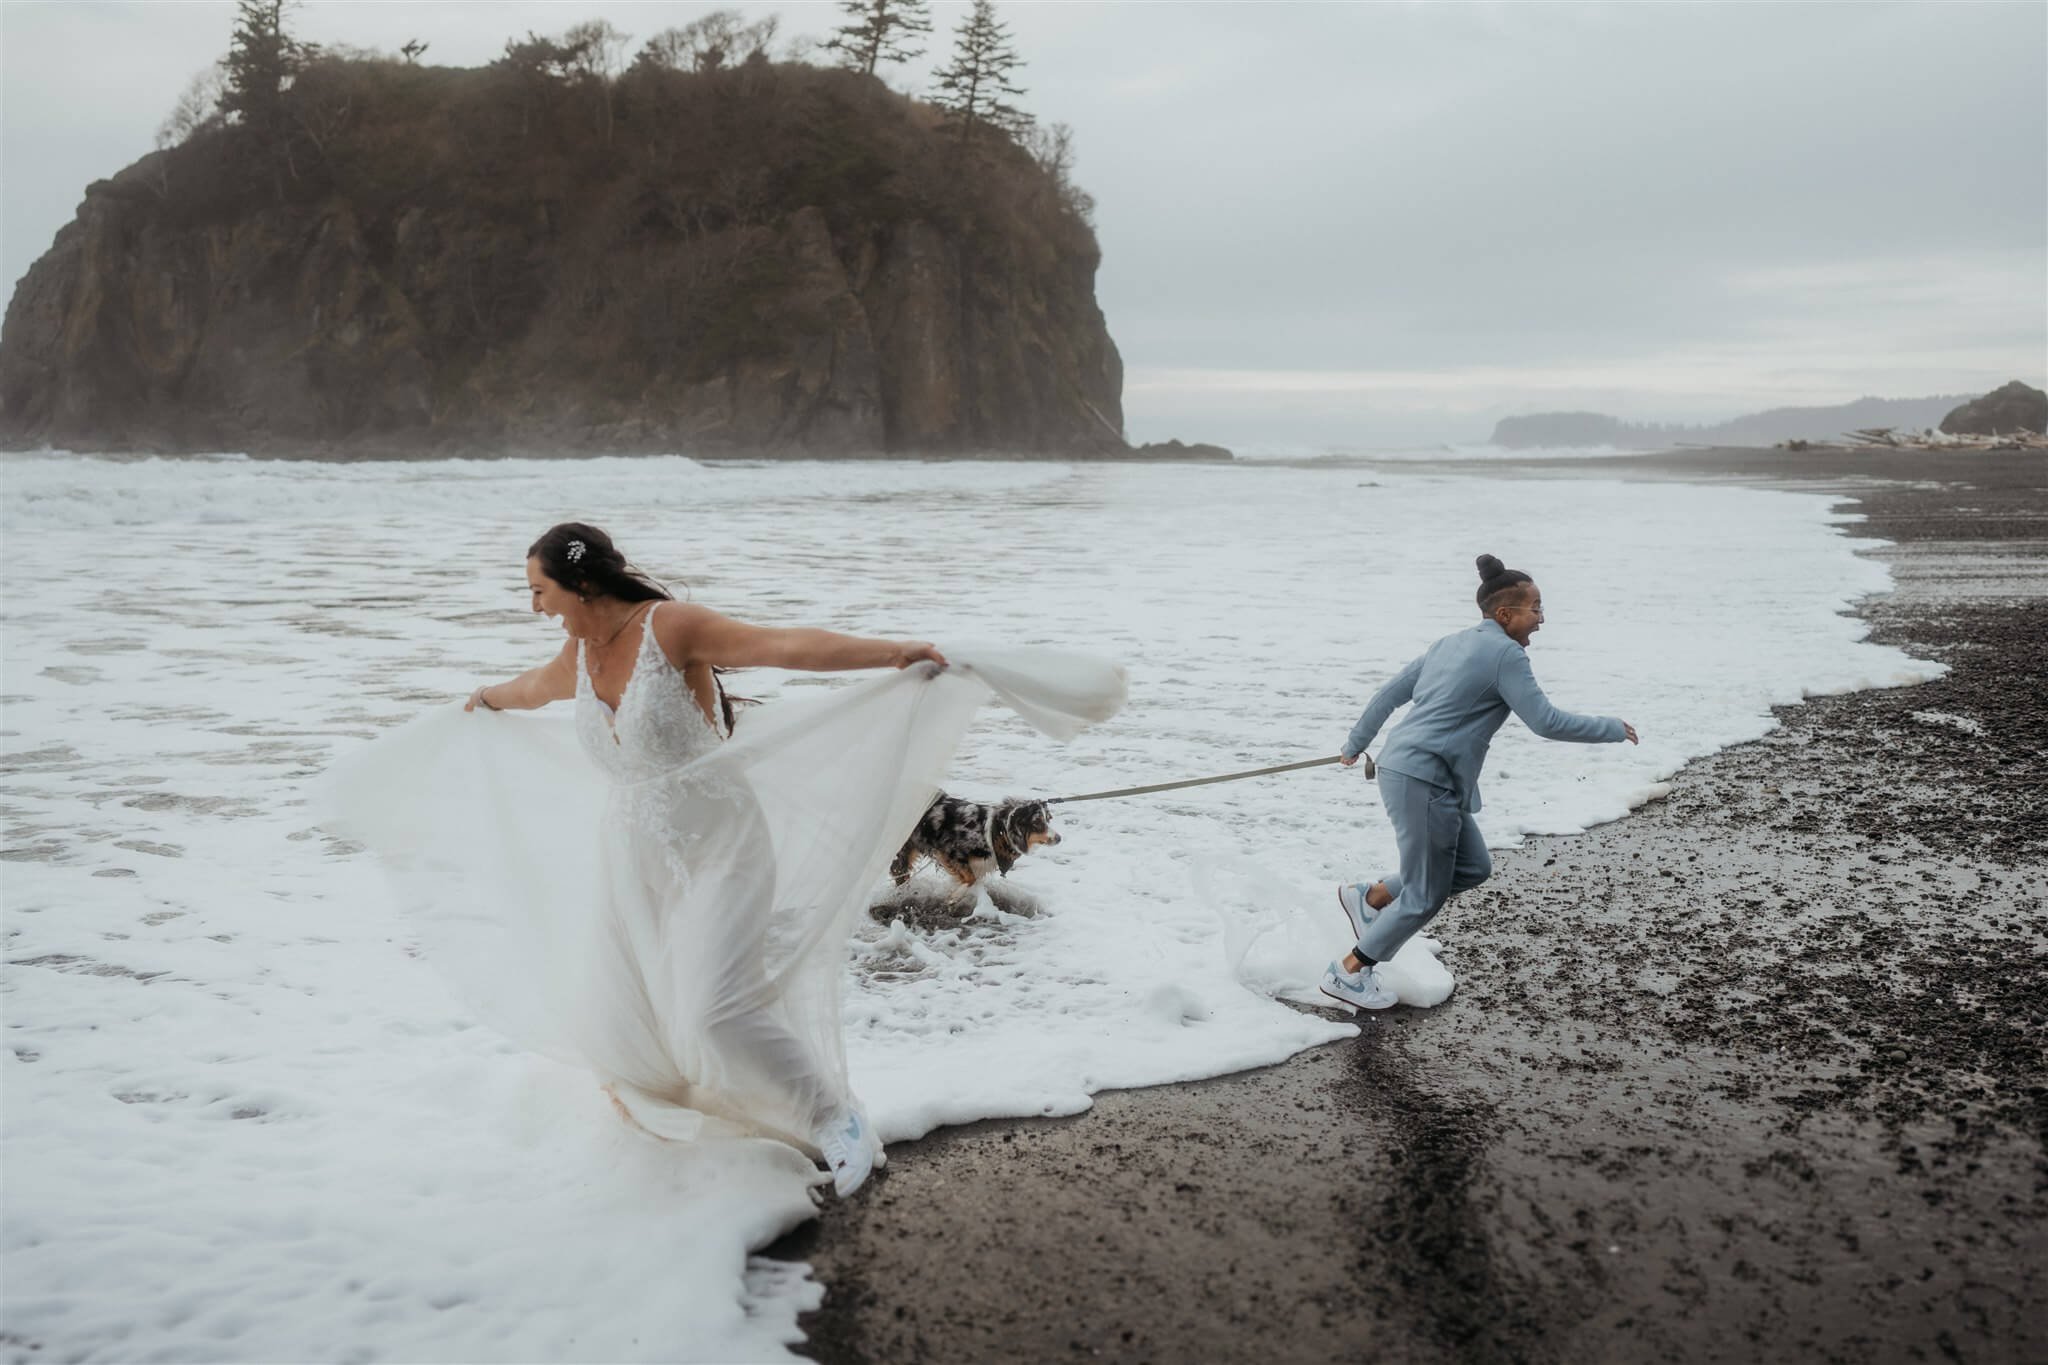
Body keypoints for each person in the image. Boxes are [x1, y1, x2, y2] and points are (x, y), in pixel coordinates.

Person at [327, 522, 1124, 1199]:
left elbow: (781, 644)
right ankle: (705, 1123)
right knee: (634, 1009)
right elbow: (523, 691)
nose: (533, 604)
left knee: (715, 1008)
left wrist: (892, 653)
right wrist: (476, 705)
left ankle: (837, 1119)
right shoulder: (576, 656)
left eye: (537, 589)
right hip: (633, 855)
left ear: (577, 583)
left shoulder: (667, 628)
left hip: (720, 847)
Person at [1324, 553, 1638, 1011]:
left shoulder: (1449, 643)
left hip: (1413, 770)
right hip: (1423, 777)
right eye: (1536, 608)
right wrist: (1609, 727)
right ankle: (1349, 971)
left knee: (1473, 868)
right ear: (1505, 614)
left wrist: (1356, 742)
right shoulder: (1505, 654)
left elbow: (1389, 693)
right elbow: (1545, 722)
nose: (1542, 619)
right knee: (1425, 894)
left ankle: (1369, 897)